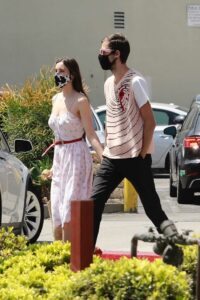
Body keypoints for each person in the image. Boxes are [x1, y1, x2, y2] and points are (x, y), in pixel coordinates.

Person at [92, 33, 178, 248]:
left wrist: (141, 153)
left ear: (117, 54)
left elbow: (149, 121)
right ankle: (86, 254)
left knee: (152, 207)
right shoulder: (108, 83)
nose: (100, 55)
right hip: (112, 156)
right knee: (92, 204)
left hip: (134, 156)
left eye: (103, 52)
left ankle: (176, 246)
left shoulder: (135, 81)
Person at [46, 57, 103, 242]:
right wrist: (53, 168)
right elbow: (57, 135)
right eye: (56, 71)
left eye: (61, 71)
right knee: (56, 209)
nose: (57, 75)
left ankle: (71, 259)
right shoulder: (56, 99)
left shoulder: (80, 100)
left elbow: (91, 135)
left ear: (72, 74)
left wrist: (105, 158)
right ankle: (58, 259)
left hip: (77, 157)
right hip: (60, 157)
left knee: (69, 212)